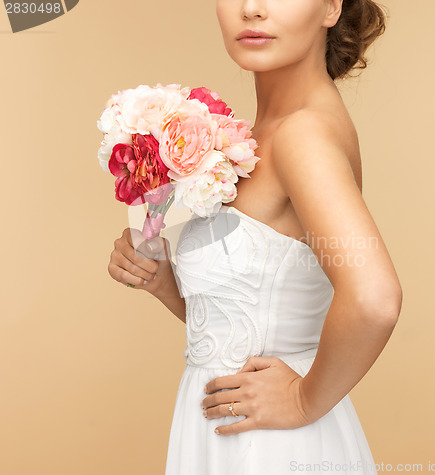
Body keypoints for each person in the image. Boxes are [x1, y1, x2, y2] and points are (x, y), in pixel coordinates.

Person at [108, 0, 403, 473]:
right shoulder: (257, 136)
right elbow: (247, 324)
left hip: (268, 447)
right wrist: (165, 282)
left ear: (331, 7)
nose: (251, 8)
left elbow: (375, 299)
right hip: (227, 426)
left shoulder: (302, 135)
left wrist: (304, 401)